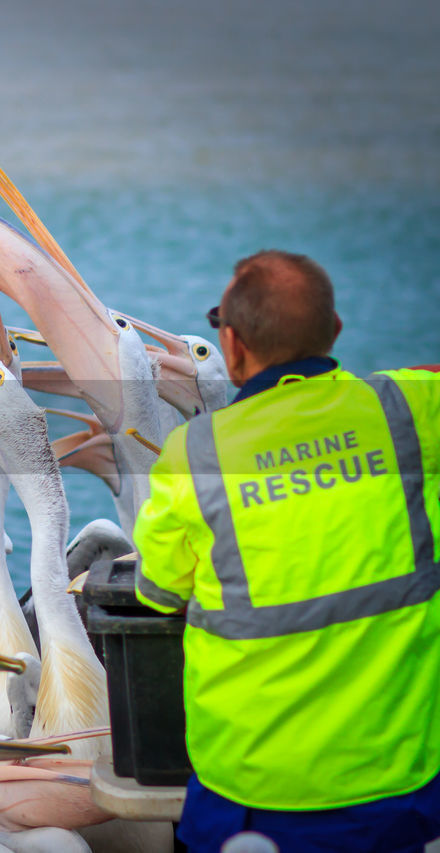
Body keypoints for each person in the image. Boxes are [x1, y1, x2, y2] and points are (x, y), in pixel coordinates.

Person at [133, 249, 440, 852]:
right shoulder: (407, 408)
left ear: (233, 345)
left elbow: (157, 592)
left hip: (252, 793)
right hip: (399, 784)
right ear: (336, 332)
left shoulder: (194, 456)